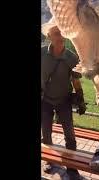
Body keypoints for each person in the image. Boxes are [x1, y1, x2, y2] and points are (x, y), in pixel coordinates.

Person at [41, 19, 86, 179]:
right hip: (45, 99)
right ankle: (49, 160)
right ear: (49, 36)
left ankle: (72, 167)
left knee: (70, 135)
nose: (60, 36)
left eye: (62, 33)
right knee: (46, 133)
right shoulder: (41, 53)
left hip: (64, 100)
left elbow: (75, 80)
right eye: (56, 33)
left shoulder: (72, 57)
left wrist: (80, 99)